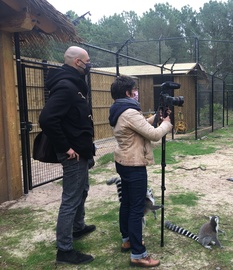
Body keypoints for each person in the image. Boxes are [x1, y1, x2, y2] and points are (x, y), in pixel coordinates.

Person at [39, 46, 96, 264]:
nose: (89, 64)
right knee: (70, 199)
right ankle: (64, 250)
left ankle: (78, 227)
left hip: (82, 150)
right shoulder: (65, 86)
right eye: (87, 60)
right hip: (73, 154)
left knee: (82, 190)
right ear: (77, 62)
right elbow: (47, 119)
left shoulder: (74, 84)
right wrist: (65, 147)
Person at [109, 75, 173, 268]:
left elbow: (141, 125)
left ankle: (127, 239)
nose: (137, 93)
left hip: (124, 161)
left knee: (127, 204)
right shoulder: (129, 112)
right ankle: (138, 254)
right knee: (137, 209)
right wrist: (166, 124)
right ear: (128, 93)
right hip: (134, 165)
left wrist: (156, 116)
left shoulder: (119, 109)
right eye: (134, 90)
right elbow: (153, 134)